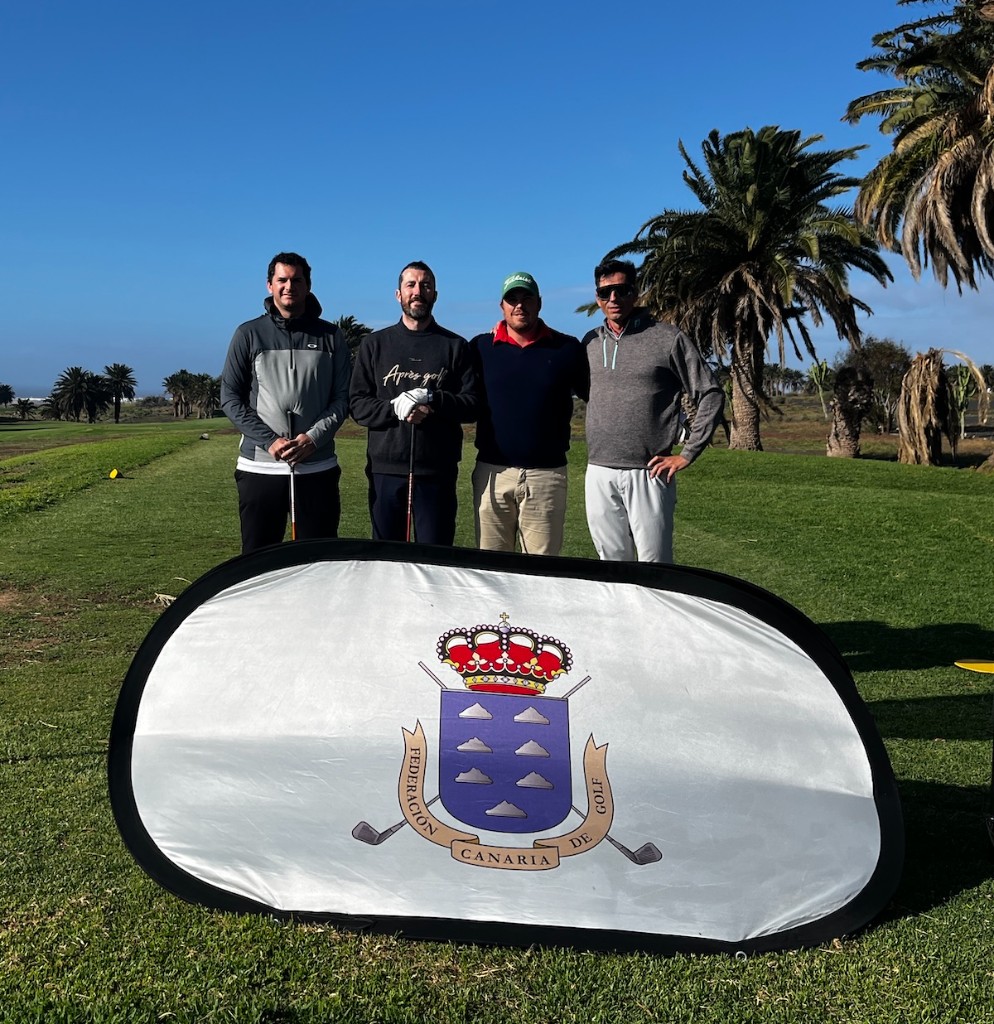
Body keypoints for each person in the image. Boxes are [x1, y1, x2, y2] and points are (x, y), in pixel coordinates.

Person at [583, 259, 724, 563]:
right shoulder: (590, 342)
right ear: (597, 297)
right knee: (610, 568)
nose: (613, 298)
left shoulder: (667, 338)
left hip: (649, 472)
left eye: (621, 290)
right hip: (598, 471)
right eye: (605, 292)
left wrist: (687, 453)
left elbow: (710, 393)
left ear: (635, 293)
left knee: (655, 569)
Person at [220, 252, 351, 554]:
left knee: (318, 560)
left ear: (308, 285)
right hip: (260, 468)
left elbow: (342, 398)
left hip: (317, 467)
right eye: (282, 280)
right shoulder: (248, 334)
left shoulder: (331, 336)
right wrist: (270, 441)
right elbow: (230, 397)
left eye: (296, 280)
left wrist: (313, 438)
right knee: (258, 562)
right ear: (270, 285)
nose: (289, 286)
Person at [349, 261, 477, 544]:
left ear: (435, 295)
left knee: (434, 558)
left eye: (425, 285)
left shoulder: (455, 346)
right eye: (411, 285)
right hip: (385, 471)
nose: (418, 291)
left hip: (436, 472)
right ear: (399, 294)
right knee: (387, 559)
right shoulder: (374, 344)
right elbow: (357, 404)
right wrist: (396, 408)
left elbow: (471, 405)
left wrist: (433, 400)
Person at [469, 272, 589, 555]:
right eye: (512, 299)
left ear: (540, 303)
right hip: (493, 473)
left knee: (540, 571)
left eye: (527, 298)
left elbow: (595, 396)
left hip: (546, 476)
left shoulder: (567, 348)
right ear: (502, 306)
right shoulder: (480, 348)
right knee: (491, 569)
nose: (519, 305)